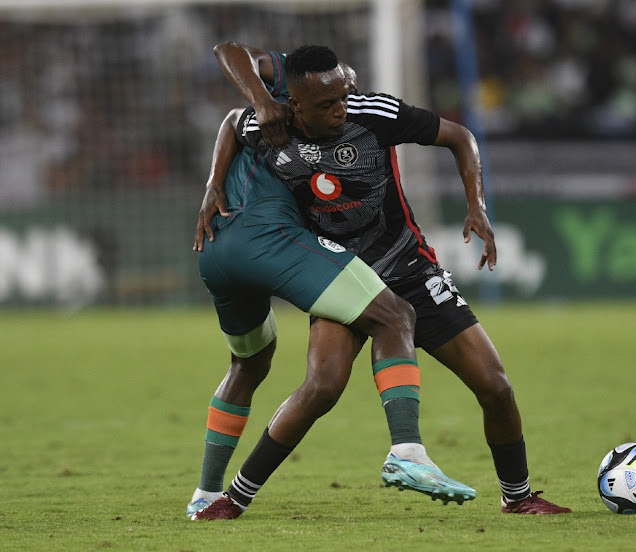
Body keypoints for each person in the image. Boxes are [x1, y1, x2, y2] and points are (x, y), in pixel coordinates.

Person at [193, 43, 570, 520]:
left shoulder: (375, 114)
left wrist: (478, 205)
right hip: (342, 273)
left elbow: (461, 136)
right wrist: (213, 185)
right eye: (327, 104)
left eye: (343, 97)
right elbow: (230, 124)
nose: (341, 109)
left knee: (495, 386)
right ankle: (234, 498)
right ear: (295, 106)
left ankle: (518, 497)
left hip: (407, 265)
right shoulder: (272, 126)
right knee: (322, 387)